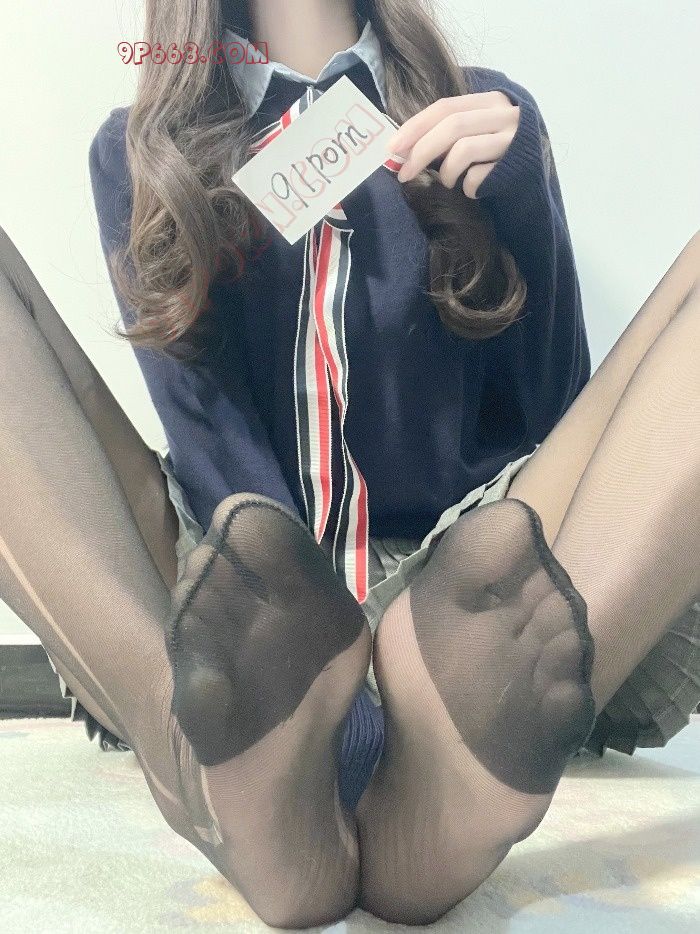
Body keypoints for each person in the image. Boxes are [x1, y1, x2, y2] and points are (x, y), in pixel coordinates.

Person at [1, 0, 698, 927]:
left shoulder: (478, 115)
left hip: (463, 579)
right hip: (235, 583)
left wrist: (520, 193)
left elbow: (561, 421)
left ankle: (421, 763)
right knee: (251, 592)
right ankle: (206, 740)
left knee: (497, 575)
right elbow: (206, 437)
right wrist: (286, 628)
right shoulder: (144, 151)